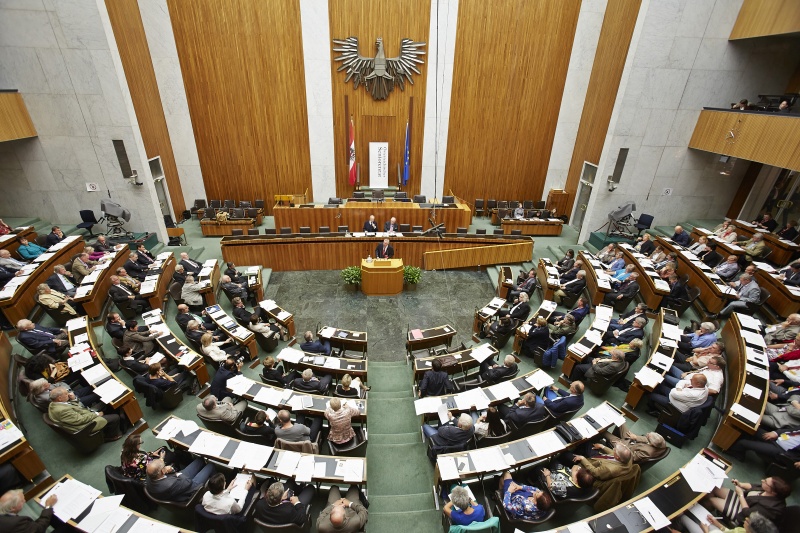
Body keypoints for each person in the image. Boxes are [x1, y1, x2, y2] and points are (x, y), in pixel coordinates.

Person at [702, 477, 790, 526]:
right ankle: (705, 505)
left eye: (765, 482)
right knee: (714, 488)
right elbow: (753, 486)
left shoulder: (770, 509)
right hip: (745, 500)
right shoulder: (768, 490)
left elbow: (747, 513)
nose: (762, 480)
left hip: (742, 513)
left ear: (773, 492)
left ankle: (702, 512)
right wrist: (740, 484)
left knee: (711, 499)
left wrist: (740, 494)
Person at [48, 386, 122, 441]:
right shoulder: (62, 411)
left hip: (83, 415)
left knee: (106, 407)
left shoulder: (54, 404)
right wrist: (96, 414)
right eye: (66, 394)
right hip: (85, 426)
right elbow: (80, 420)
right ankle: (109, 436)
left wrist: (73, 399)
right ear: (60, 398)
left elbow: (73, 407)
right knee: (115, 417)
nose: (69, 394)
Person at [146, 458, 216, 502]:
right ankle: (216, 484)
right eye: (164, 466)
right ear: (162, 471)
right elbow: (188, 482)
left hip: (178, 483)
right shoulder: (170, 485)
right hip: (190, 486)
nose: (166, 466)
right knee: (211, 466)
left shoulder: (150, 476)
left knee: (200, 460)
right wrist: (176, 473)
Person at [601, 423, 666, 463]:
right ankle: (613, 439)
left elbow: (631, 458)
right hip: (633, 441)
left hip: (625, 447)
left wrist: (621, 446)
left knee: (603, 432)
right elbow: (647, 440)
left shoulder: (647, 452)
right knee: (621, 422)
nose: (647, 433)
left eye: (648, 436)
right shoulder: (661, 442)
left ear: (652, 444)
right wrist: (636, 437)